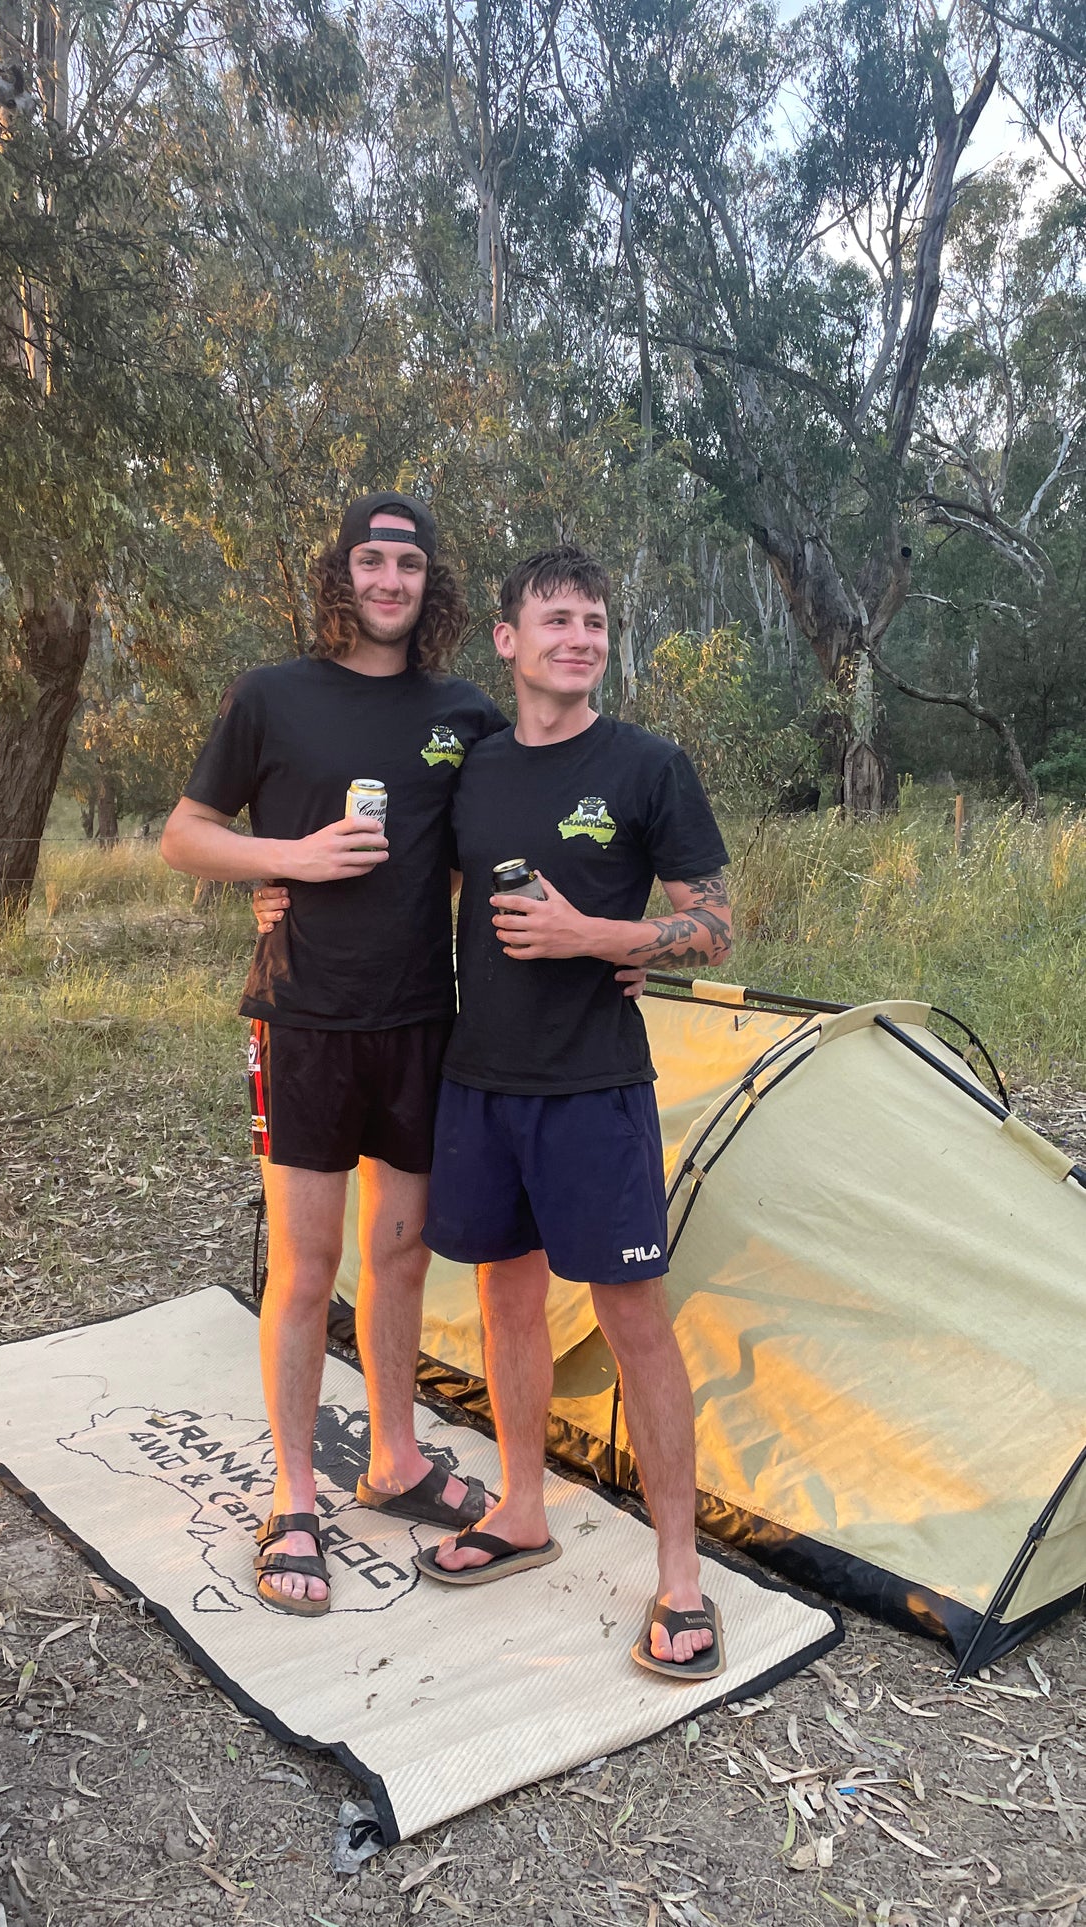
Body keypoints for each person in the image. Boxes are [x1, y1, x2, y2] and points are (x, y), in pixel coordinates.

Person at [159, 492, 509, 1617]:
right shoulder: (271, 695)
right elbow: (184, 836)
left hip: (420, 1021)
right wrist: (289, 859)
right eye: (371, 560)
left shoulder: (464, 712)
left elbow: (481, 850)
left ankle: (395, 1461)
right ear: (341, 575)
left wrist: (616, 939)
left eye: (409, 564)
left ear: (429, 583)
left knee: (400, 1256)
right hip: (303, 1018)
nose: (389, 580)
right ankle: (293, 1494)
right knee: (306, 1267)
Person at [415, 544, 733, 1682]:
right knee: (504, 1300)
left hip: (595, 1086)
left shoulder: (647, 765)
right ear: (507, 640)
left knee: (633, 1318)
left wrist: (597, 937)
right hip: (481, 1081)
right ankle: (519, 1509)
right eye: (556, 619)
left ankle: (680, 1577)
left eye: (594, 622)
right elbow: (421, 880)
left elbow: (713, 926)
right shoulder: (475, 770)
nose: (580, 638)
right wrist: (275, 887)